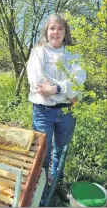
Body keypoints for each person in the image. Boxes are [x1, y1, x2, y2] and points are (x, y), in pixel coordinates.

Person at [26, 13, 86, 205]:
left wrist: (57, 88)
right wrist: (68, 92)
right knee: (42, 153)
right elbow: (39, 83)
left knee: (61, 151)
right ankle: (41, 190)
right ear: (47, 31)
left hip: (68, 113)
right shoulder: (38, 53)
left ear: (65, 32)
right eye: (53, 28)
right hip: (44, 112)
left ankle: (56, 184)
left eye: (60, 28)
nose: (56, 32)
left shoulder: (73, 54)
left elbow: (78, 80)